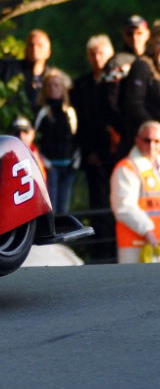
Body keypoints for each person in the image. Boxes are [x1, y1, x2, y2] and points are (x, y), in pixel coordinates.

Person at [70, 34, 119, 262]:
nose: (97, 58)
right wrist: (89, 151)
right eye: (92, 54)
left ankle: (118, 247)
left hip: (116, 152)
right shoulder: (80, 85)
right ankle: (101, 252)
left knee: (118, 200)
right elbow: (79, 123)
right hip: (91, 152)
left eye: (100, 52)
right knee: (97, 201)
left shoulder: (120, 81)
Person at [110, 120, 160, 263]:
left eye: (157, 141)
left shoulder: (155, 167)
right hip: (135, 246)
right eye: (147, 140)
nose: (152, 145)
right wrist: (147, 231)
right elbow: (123, 207)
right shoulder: (126, 168)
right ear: (137, 140)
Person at [33, 67, 78, 215]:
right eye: (49, 85)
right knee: (50, 208)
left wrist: (76, 159)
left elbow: (76, 135)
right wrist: (44, 160)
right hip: (49, 166)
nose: (53, 89)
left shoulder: (69, 112)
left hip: (68, 165)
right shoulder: (42, 111)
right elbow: (35, 137)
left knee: (64, 209)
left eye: (57, 85)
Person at [115, 20, 160, 158]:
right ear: (152, 43)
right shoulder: (142, 65)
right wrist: (155, 131)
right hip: (144, 145)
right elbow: (134, 105)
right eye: (159, 42)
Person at [0, 29, 52, 110]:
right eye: (31, 45)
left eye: (40, 45)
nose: (34, 49)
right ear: (25, 49)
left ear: (48, 52)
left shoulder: (53, 79)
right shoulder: (6, 68)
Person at [8, 116, 47, 181]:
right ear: (10, 134)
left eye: (25, 131)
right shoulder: (6, 156)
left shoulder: (36, 152)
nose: (21, 136)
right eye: (17, 132)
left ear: (32, 133)